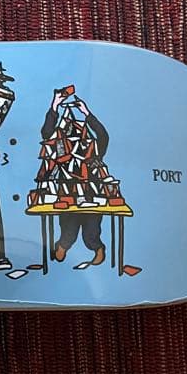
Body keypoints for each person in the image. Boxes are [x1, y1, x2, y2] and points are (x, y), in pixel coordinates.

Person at [42, 90, 109, 264]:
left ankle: (98, 249)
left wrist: (86, 113)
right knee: (68, 232)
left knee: (91, 233)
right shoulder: (61, 151)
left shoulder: (93, 152)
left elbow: (103, 135)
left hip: (91, 197)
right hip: (68, 197)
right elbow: (47, 133)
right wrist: (55, 105)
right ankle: (61, 247)